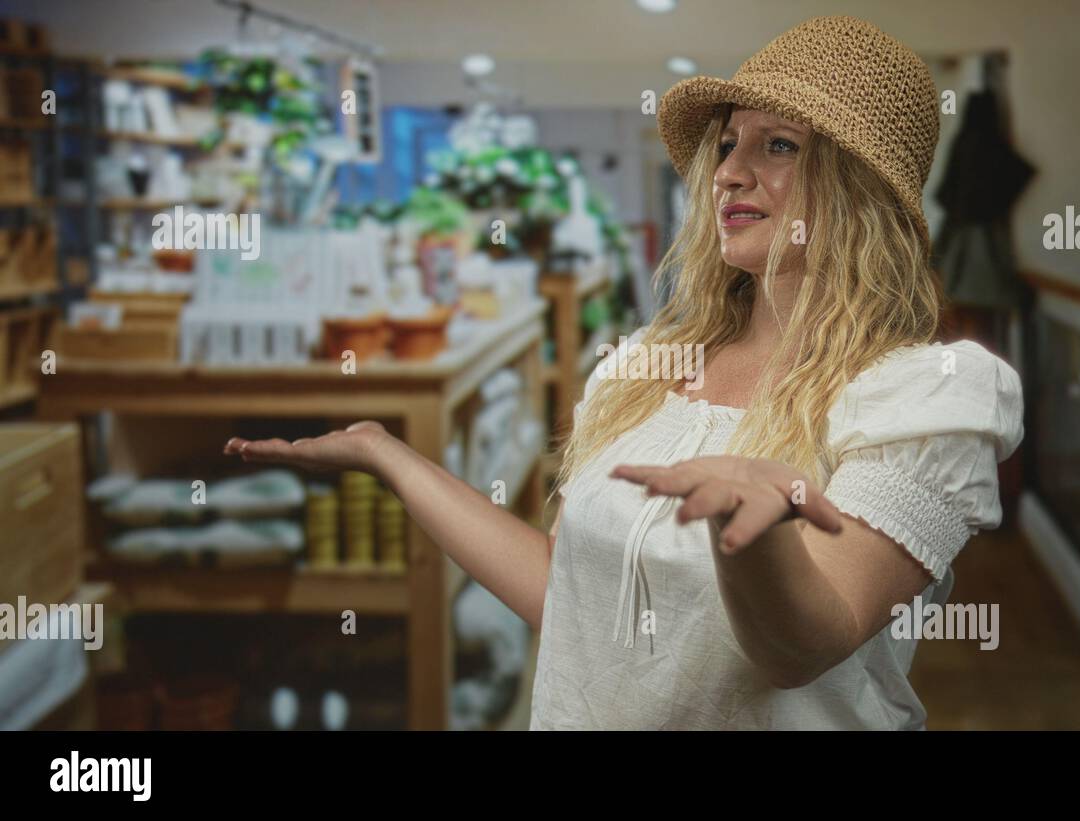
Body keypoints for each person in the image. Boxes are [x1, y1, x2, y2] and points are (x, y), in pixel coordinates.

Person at [225, 16, 1024, 730]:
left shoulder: (923, 393)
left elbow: (803, 649)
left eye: (777, 144)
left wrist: (754, 533)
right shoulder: (643, 368)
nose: (729, 173)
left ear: (859, 187)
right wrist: (386, 453)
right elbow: (567, 595)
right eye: (727, 143)